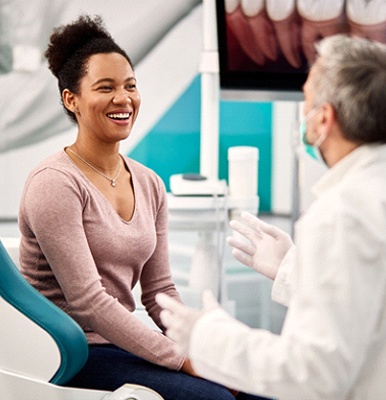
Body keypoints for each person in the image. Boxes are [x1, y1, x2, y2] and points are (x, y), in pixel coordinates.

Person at [17, 14, 267, 400]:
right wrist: (182, 359)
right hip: (68, 352)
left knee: (259, 389)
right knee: (213, 398)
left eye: (130, 86)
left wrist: (199, 344)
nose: (123, 98)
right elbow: (89, 302)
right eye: (105, 87)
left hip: (122, 343)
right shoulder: (54, 183)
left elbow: (159, 290)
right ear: (72, 99)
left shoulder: (149, 182)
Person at [156, 34, 386, 399]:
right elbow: (376, 305)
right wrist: (292, 267)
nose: (302, 112)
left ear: (323, 119)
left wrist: (208, 336)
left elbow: (312, 373)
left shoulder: (342, 212)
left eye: (306, 98)